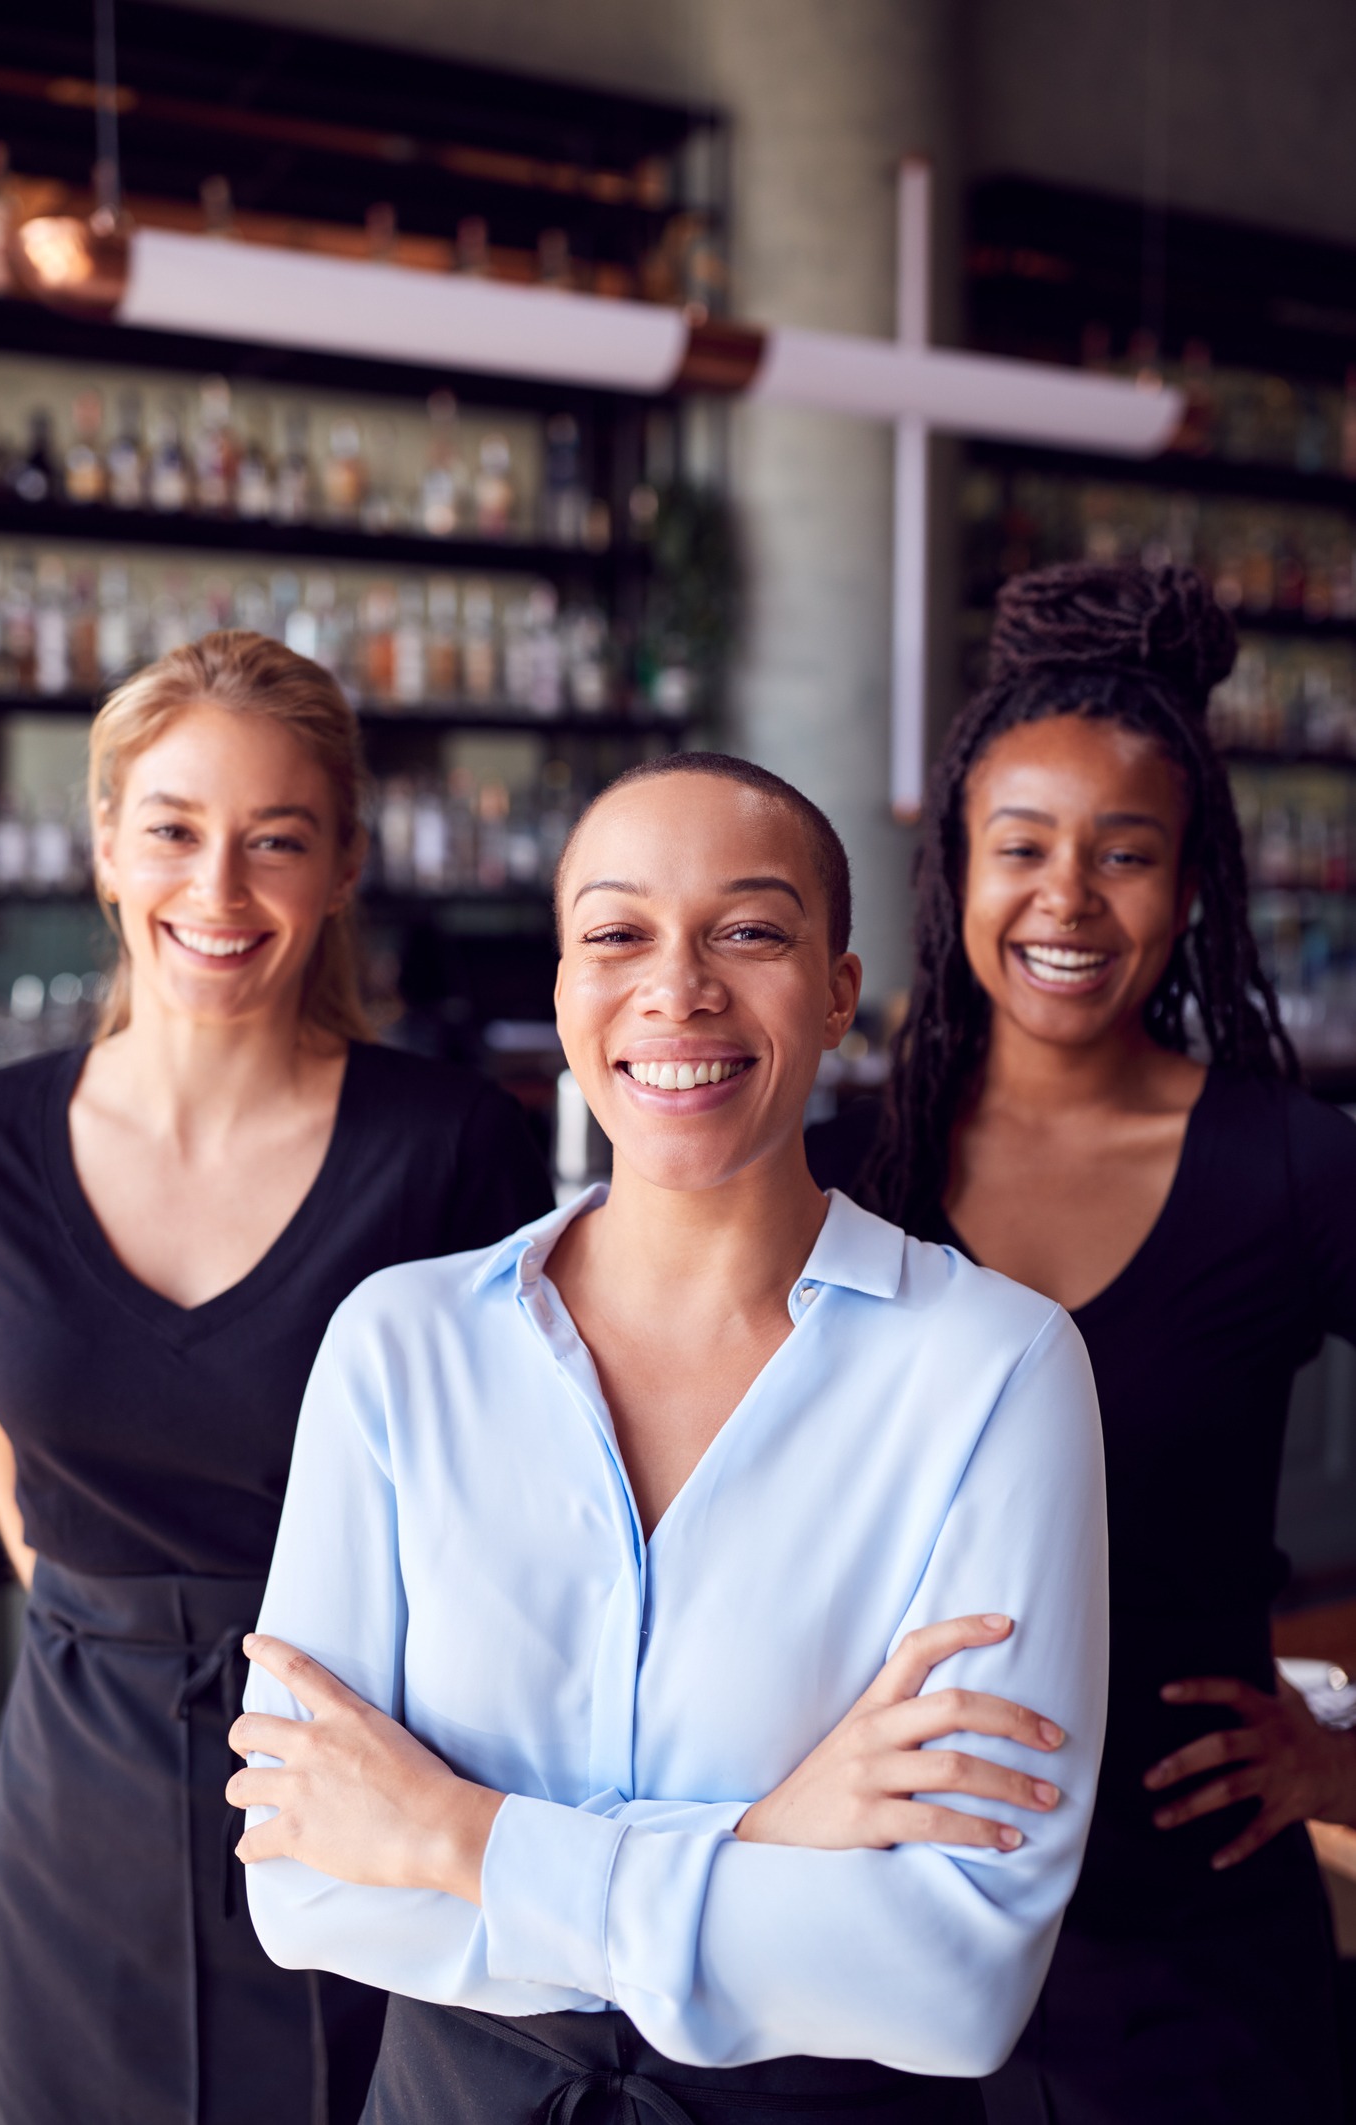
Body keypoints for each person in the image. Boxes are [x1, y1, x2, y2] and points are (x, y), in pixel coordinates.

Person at [226, 752, 1109, 2124]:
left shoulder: (996, 1369)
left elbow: (954, 1977)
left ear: (836, 989)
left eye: (749, 931)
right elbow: (304, 1883)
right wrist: (766, 1843)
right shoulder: (401, 1345)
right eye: (619, 932)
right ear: (566, 988)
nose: (679, 987)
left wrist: (458, 1835)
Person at [0, 631, 552, 2125]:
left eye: (275, 841)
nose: (216, 892)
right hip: (74, 1799)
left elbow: (514, 1516)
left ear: (343, 865)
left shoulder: (450, 1146)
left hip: (357, 1778)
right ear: (104, 846)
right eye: (172, 830)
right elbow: (28, 1498)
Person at [808, 563, 1356, 2124]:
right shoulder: (845, 1175)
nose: (1068, 899)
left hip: (1196, 1948)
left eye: (1125, 854)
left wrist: (1348, 1762)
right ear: (955, 875)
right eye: (1023, 847)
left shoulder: (1288, 1164)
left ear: (1190, 890)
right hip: (876, 1934)